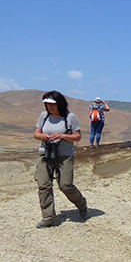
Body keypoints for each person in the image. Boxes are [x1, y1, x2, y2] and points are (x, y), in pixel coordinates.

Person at [33, 90, 88, 228]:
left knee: (65, 185)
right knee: (44, 185)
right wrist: (43, 137)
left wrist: (62, 136)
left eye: (52, 105)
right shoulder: (44, 116)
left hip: (64, 155)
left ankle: (81, 203)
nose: (50, 107)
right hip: (45, 153)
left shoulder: (70, 117)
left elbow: (77, 137)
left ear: (60, 104)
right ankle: (48, 217)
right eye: (47, 105)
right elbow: (36, 133)